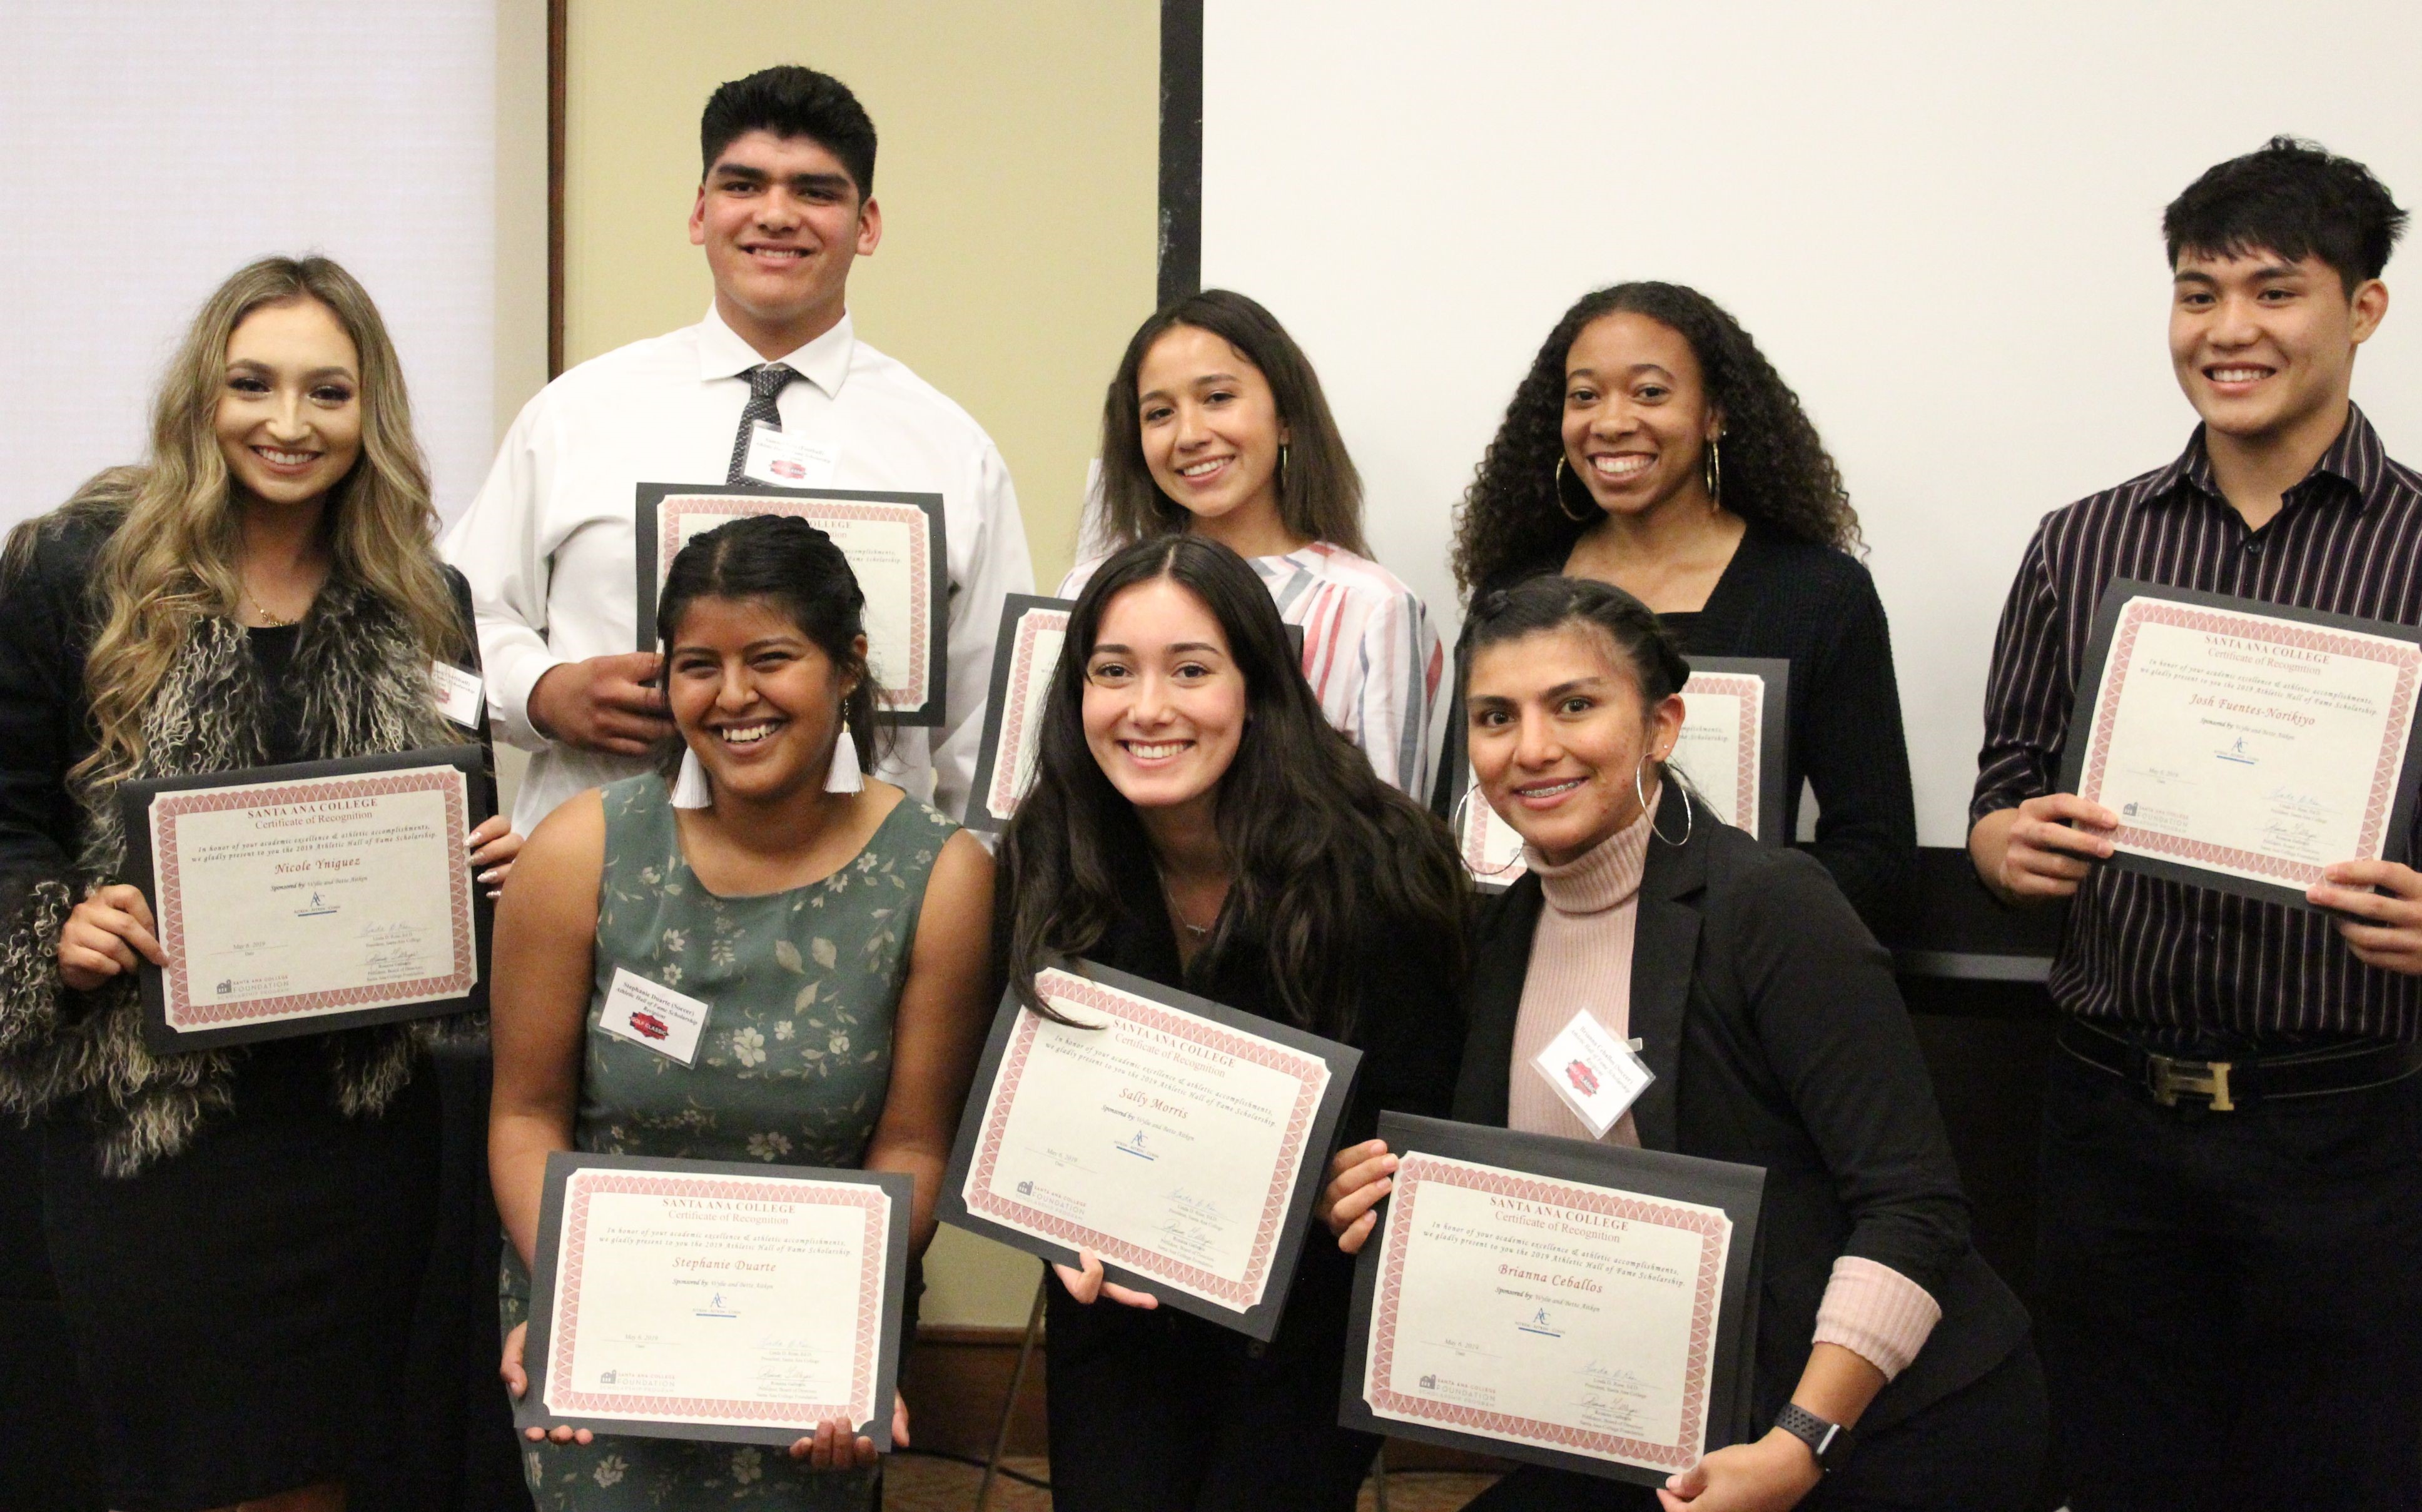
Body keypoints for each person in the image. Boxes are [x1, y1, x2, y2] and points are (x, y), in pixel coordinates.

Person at [1330, 577, 2042, 1511]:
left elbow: (1914, 1213)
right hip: (1666, 1433)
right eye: (1495, 717)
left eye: (1574, 705)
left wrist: (1803, 1441)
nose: (1532, 748)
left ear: (1663, 725)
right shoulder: (1498, 937)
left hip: (1880, 1431)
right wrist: (1385, 1200)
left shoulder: (1772, 906)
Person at [0, 255, 520, 1512]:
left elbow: (451, 818)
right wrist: (55, 922)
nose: (288, 423)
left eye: (327, 392)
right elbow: (7, 817)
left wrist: (480, 869)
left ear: (371, 415)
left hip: (352, 1126)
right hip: (145, 1123)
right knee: (171, 1460)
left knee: (321, 1459)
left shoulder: (418, 596)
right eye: (254, 384)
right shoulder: (74, 572)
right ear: (202, 398)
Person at [1969, 137, 2422, 1512]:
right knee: (2116, 1466)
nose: (2228, 331)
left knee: (2345, 1473)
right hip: (2111, 1111)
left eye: (2274, 292)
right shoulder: (2080, 543)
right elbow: (1998, 794)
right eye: (2195, 292)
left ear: (2361, 310)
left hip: (2350, 1122)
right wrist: (2005, 850)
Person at [490, 513, 995, 1508]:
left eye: (772, 658)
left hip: (805, 1350)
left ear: (848, 666)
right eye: (696, 666)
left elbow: (914, 1146)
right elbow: (525, 1116)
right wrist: (582, 1298)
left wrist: (837, 1330)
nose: (732, 698)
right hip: (605, 1337)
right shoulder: (580, 851)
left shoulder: (939, 876)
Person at [998, 534, 1467, 1510]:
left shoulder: (1379, 860)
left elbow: (1430, 1101)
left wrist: (1376, 1167)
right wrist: (1042, 1206)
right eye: (1112, 672)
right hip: (1116, 1293)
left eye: (1192, 670)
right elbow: (1013, 1094)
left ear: (1257, 686)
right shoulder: (1050, 845)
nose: (1147, 708)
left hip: (1308, 1302)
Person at [446, 63, 1033, 835]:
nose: (776, 214)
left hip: (861, 904)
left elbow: (993, 727)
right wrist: (542, 692)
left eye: (816, 192)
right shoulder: (574, 415)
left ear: (867, 225)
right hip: (595, 882)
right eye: (743, 185)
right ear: (700, 211)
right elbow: (447, 624)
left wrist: (965, 893)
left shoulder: (950, 452)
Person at [1442, 283, 1913, 936]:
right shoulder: (1515, 589)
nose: (1608, 421)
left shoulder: (1817, 593)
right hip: (1536, 964)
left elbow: (1874, 850)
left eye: (1649, 392)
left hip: (1734, 992)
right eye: (1583, 395)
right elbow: (1467, 815)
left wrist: (1736, 936)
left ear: (1714, 413)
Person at [1060, 290, 1442, 796]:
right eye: (1159, 413)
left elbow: (1392, 837)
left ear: (1285, 417)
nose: (1189, 434)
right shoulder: (1088, 587)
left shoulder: (1371, 608)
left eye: (1218, 398)